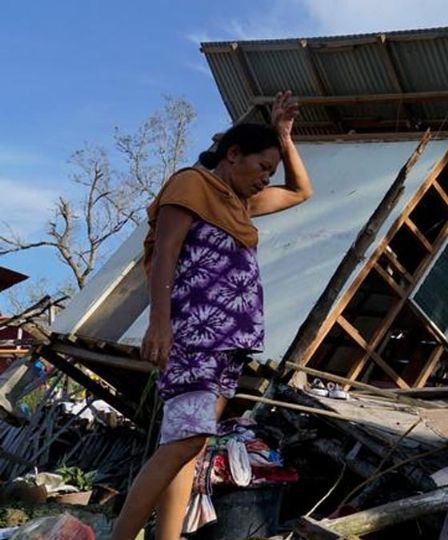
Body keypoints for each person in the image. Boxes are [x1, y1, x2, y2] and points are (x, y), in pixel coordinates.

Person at [111, 91, 312, 540]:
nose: (265, 179)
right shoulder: (192, 185)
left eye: (270, 172)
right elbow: (165, 252)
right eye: (262, 167)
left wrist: (283, 136)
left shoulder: (238, 204)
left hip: (231, 339)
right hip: (194, 333)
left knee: (191, 444)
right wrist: (159, 323)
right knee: (183, 441)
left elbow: (302, 191)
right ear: (233, 154)